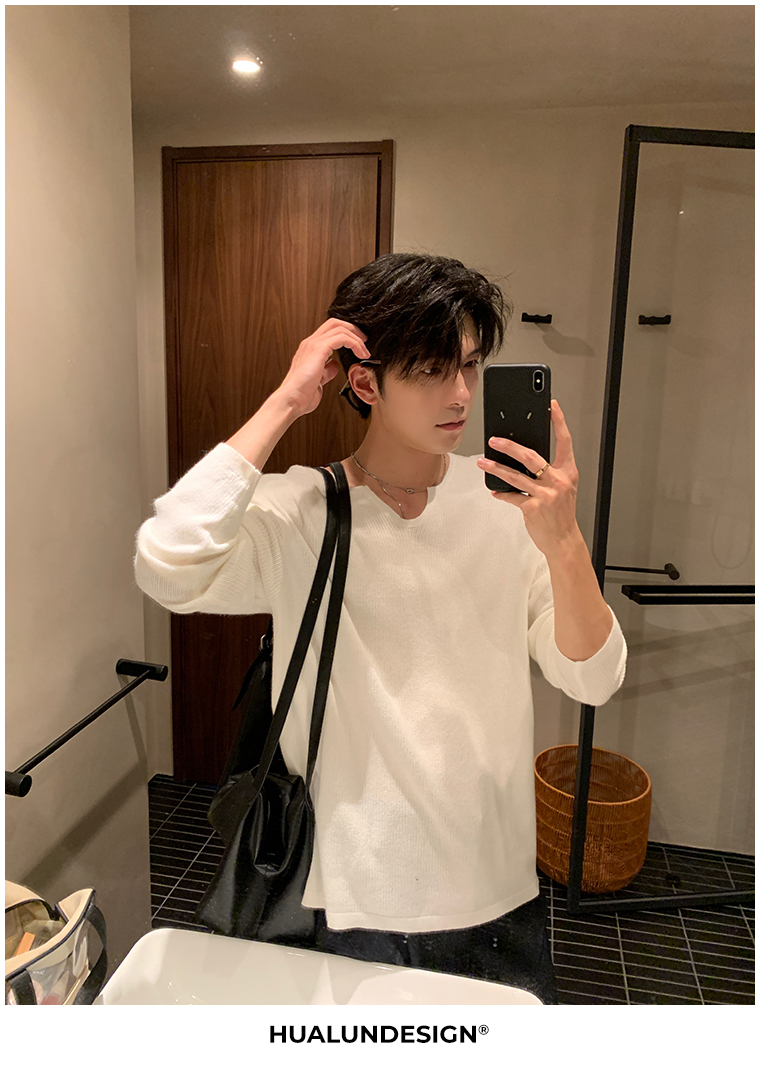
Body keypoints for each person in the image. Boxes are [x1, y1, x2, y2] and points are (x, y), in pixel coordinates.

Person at [134, 252, 627, 1005]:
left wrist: (564, 542)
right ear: (365, 384)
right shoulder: (301, 511)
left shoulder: (511, 509)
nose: (460, 394)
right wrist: (285, 402)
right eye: (432, 370)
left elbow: (593, 675)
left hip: (491, 882)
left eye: (470, 365)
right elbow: (167, 564)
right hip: (349, 890)